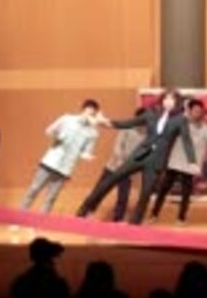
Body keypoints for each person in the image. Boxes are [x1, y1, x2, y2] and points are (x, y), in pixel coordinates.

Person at [76, 89, 199, 226]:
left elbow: (187, 140)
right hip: (141, 154)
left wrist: (192, 161)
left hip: (156, 161)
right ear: (162, 100)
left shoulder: (180, 120)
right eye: (166, 98)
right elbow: (127, 123)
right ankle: (85, 209)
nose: (168, 101)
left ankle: (135, 222)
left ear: (177, 102)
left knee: (146, 193)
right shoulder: (150, 114)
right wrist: (106, 122)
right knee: (114, 177)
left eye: (172, 99)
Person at [15, 99, 101, 216]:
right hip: (50, 161)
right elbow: (49, 131)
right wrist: (57, 136)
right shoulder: (67, 119)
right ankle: (19, 217)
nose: (89, 115)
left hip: (65, 168)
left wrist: (88, 156)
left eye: (92, 113)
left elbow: (85, 152)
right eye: (88, 111)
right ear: (83, 109)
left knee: (51, 198)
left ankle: (41, 222)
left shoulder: (93, 133)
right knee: (33, 189)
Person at [149, 98, 207, 225]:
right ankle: (154, 214)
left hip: (191, 165)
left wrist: (202, 161)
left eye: (200, 111)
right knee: (164, 189)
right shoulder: (181, 124)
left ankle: (181, 217)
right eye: (195, 111)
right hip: (175, 162)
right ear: (189, 111)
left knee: (186, 193)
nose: (197, 113)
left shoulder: (206, 129)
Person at [91, 108, 147, 222]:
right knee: (100, 189)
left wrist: (133, 164)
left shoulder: (148, 135)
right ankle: (88, 210)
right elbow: (117, 147)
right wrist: (123, 161)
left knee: (123, 195)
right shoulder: (127, 128)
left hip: (128, 169)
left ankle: (118, 218)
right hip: (113, 166)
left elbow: (145, 152)